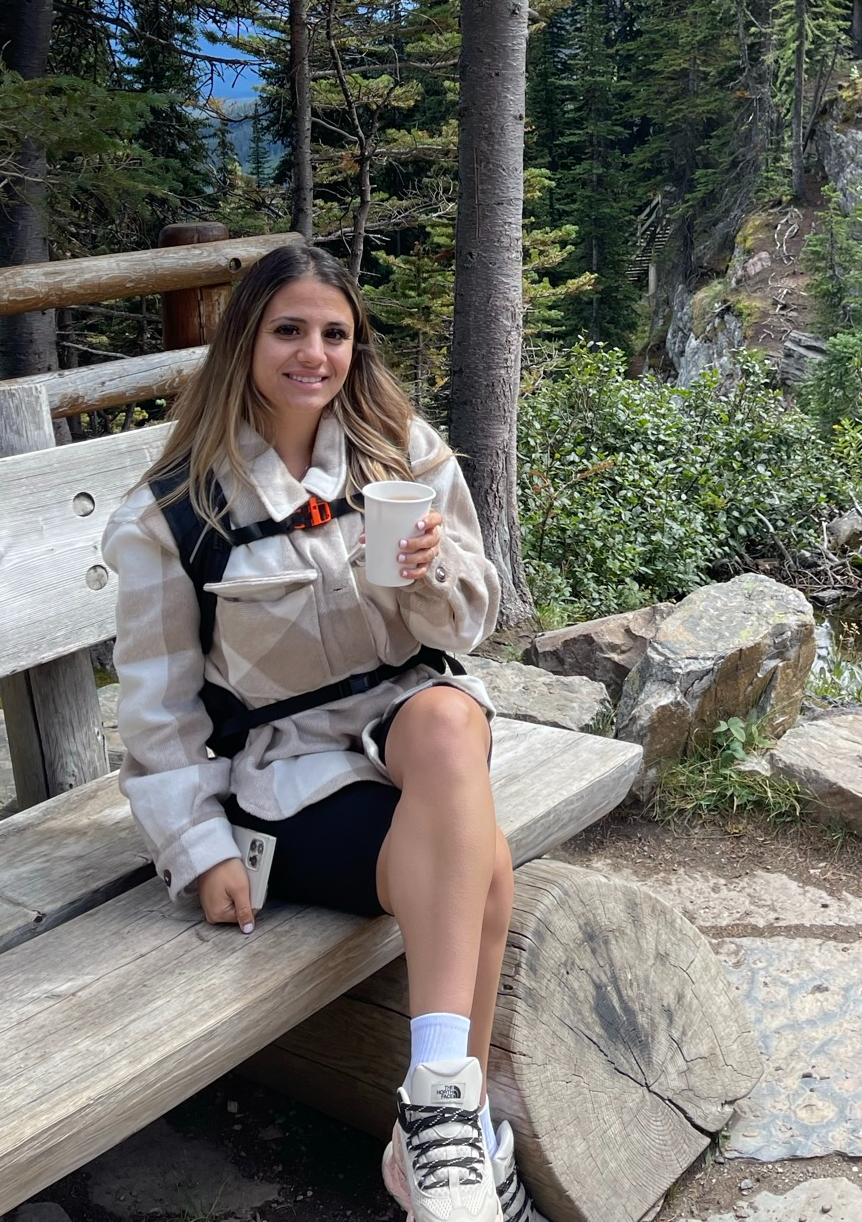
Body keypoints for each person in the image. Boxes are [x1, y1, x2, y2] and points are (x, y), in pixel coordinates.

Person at [102, 243, 538, 1222]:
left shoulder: (405, 453)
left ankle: (433, 1120)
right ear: (244, 341)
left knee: (440, 711)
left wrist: (428, 569)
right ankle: (446, 1126)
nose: (314, 351)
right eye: (289, 329)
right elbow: (158, 710)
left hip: (411, 733)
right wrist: (197, 846)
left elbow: (463, 631)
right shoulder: (173, 514)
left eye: (334, 331)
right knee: (490, 865)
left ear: (357, 344)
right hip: (289, 772)